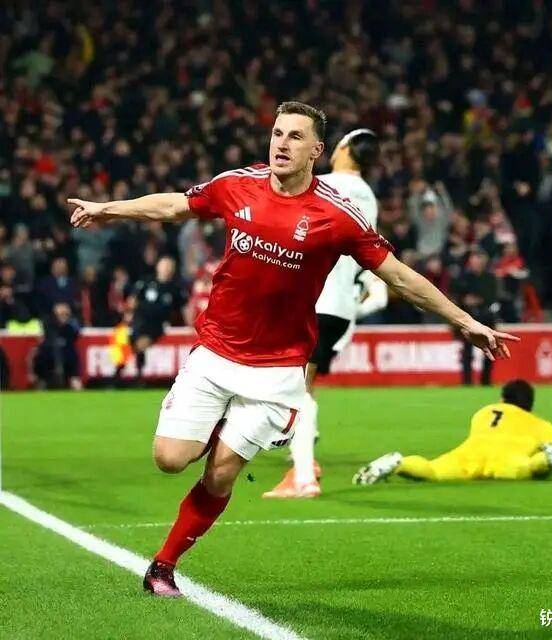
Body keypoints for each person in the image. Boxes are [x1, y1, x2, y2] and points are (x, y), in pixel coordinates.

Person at [68, 101, 518, 598]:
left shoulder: (336, 215)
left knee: (221, 474)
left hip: (277, 370)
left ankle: (163, 566)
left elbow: (399, 276)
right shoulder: (237, 185)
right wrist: (109, 209)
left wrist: (465, 321)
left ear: (316, 150)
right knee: (171, 459)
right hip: (216, 353)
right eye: (277, 134)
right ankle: (222, 426)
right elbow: (175, 205)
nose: (281, 144)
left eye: (295, 136)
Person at [263, 128, 387, 499]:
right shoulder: (368, 197)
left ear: (344, 148)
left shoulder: (327, 186)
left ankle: (304, 475)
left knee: (296, 388)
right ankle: (302, 453)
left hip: (315, 301)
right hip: (340, 305)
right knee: (300, 384)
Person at [353, 379, 552, 486]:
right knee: (530, 467)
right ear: (529, 405)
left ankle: (399, 463)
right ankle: (548, 457)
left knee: (433, 470)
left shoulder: (484, 412)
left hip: (470, 454)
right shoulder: (536, 423)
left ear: (502, 399)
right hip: (507, 458)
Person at [119, 255, 185, 381]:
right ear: (158, 266)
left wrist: (189, 324)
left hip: (157, 324)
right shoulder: (146, 282)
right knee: (126, 341)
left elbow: (183, 307)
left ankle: (134, 374)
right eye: (164, 265)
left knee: (141, 343)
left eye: (169, 266)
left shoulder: (175, 288)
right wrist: (128, 314)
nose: (166, 268)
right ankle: (131, 372)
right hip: (139, 320)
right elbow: (133, 299)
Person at [453, 249, 499, 385]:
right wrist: (465, 300)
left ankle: (486, 380)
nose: (478, 263)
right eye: (475, 260)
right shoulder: (463, 278)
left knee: (490, 349)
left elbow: (493, 297)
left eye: (480, 260)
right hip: (469, 319)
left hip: (486, 318)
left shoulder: (490, 278)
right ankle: (467, 381)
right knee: (467, 351)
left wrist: (478, 300)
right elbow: (456, 296)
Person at [32, 302, 83, 390]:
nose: (63, 317)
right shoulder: (47, 327)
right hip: (48, 359)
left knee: (73, 358)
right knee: (42, 359)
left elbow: (74, 340)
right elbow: (40, 344)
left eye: (66, 314)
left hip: (67, 359)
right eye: (61, 314)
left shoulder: (71, 329)